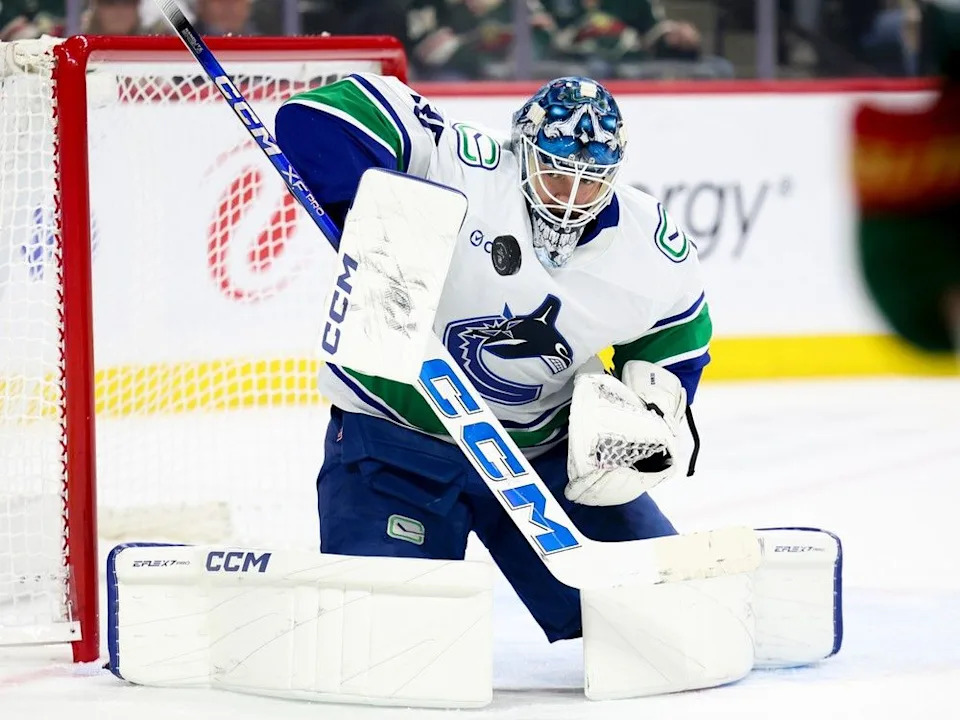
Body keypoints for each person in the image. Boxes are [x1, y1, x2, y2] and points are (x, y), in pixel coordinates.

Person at [274, 75, 711, 642]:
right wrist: (376, 216)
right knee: (386, 639)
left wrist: (651, 420)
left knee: (664, 623)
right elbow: (312, 118)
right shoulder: (461, 166)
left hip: (543, 461)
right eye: (555, 170)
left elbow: (676, 338)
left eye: (591, 181)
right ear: (522, 147)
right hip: (395, 441)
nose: (570, 196)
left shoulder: (650, 247)